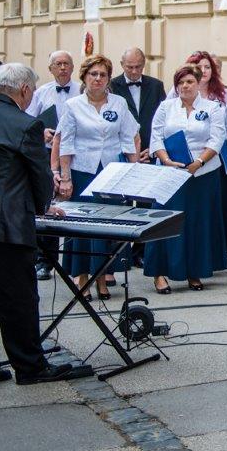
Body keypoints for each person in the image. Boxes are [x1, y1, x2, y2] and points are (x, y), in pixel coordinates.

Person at [0, 62, 86, 386]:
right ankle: (29, 366)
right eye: (31, 92)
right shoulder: (26, 125)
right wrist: (43, 207)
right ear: (23, 90)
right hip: (4, 223)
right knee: (18, 297)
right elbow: (38, 176)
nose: (31, 97)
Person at [54, 55, 139, 300]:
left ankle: (102, 277)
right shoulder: (73, 105)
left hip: (111, 173)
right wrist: (65, 177)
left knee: (106, 227)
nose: (98, 79)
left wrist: (134, 172)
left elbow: (129, 137)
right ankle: (82, 278)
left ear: (108, 79)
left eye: (103, 75)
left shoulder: (119, 103)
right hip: (83, 172)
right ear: (84, 77)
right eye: (93, 74)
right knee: (83, 227)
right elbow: (66, 143)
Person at [144, 65, 227, 293]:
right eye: (181, 82)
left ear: (198, 83)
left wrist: (199, 162)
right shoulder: (166, 107)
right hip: (170, 173)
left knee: (197, 223)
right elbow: (156, 138)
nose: (185, 86)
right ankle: (159, 273)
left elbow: (217, 138)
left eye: (190, 81)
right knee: (164, 221)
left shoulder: (213, 108)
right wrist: (167, 160)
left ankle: (194, 270)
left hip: (202, 174)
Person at [26, 50, 77, 280]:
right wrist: (42, 132)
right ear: (51, 69)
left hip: (75, 155)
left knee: (75, 206)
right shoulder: (41, 93)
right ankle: (45, 260)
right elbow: (28, 120)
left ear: (73, 67)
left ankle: (77, 262)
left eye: (66, 63)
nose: (63, 68)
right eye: (58, 64)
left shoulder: (81, 90)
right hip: (47, 155)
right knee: (49, 204)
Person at [183, 51, 227, 254]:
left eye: (208, 67)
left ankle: (219, 249)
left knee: (218, 201)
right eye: (200, 67)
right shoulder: (179, 91)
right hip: (188, 154)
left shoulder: (223, 94)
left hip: (219, 153)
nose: (204, 71)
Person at [110, 47, 167, 163]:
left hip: (151, 154)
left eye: (138, 67)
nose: (134, 71)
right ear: (122, 64)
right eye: (130, 67)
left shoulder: (156, 86)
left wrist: (155, 149)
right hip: (121, 155)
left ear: (144, 64)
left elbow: (165, 120)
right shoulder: (111, 86)